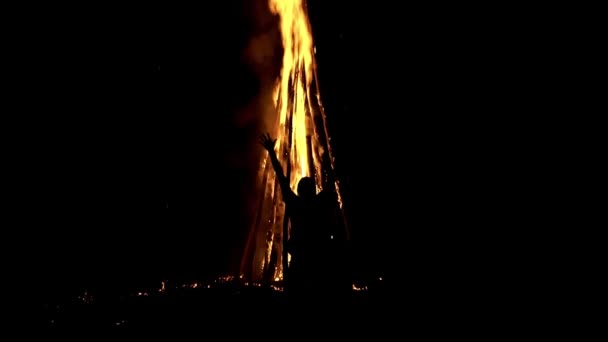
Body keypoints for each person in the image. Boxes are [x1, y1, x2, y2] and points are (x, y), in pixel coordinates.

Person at [259, 132, 350, 302]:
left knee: (301, 295)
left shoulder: (297, 204)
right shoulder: (317, 203)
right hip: (314, 260)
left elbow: (282, 179)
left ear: (301, 191)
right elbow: (331, 181)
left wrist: (272, 152)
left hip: (304, 260)